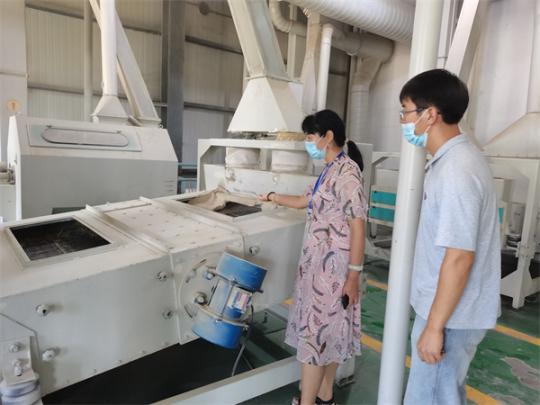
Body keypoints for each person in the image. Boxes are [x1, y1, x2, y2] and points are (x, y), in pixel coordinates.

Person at [400, 69, 500, 405]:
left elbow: (459, 257)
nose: (403, 121)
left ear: (430, 115)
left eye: (406, 111)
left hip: (450, 317)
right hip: (446, 311)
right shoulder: (453, 161)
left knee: (430, 398)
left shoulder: (457, 170)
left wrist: (434, 327)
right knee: (442, 395)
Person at [259, 110, 368, 405]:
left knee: (315, 340)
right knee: (328, 336)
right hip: (318, 270)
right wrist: (272, 196)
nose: (308, 143)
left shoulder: (347, 175)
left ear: (327, 136)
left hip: (333, 273)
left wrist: (353, 276)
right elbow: (303, 201)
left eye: (310, 137)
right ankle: (324, 397)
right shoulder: (329, 170)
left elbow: (358, 227)